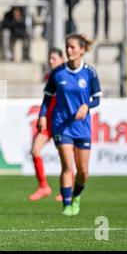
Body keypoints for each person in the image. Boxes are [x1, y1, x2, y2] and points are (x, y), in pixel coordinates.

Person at [38, 34, 101, 216]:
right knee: (67, 165)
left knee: (83, 171)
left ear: (82, 50)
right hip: (61, 125)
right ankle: (66, 205)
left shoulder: (89, 73)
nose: (69, 50)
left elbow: (97, 99)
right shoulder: (58, 73)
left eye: (73, 47)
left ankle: (76, 197)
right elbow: (47, 98)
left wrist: (86, 105)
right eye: (67, 47)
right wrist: (42, 116)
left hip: (81, 127)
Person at [28, 48, 65, 201]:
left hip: (61, 122)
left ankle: (66, 190)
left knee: (65, 157)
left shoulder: (67, 75)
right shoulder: (50, 76)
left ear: (62, 59)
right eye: (50, 58)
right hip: (47, 122)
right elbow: (46, 100)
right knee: (35, 150)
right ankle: (44, 186)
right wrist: (42, 116)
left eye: (54, 58)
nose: (51, 61)